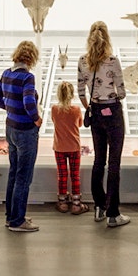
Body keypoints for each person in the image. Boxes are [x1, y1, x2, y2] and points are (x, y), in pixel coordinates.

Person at [77, 21, 130, 227]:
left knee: (99, 160)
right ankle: (113, 213)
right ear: (107, 38)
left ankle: (99, 206)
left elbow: (81, 92)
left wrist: (91, 104)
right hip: (113, 112)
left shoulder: (82, 61)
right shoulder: (112, 61)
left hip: (96, 111)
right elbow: (122, 92)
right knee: (114, 163)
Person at [0, 40, 43, 232]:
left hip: (10, 129)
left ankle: (11, 216)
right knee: (24, 176)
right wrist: (36, 119)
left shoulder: (7, 73)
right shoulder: (27, 77)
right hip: (25, 131)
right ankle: (18, 221)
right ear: (32, 58)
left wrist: (11, 109)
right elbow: (29, 102)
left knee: (14, 173)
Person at [51, 80, 89, 215]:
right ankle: (76, 204)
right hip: (74, 146)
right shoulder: (76, 109)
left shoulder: (54, 109)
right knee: (75, 175)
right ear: (72, 95)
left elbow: (54, 122)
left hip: (59, 147)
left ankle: (62, 202)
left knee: (62, 175)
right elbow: (79, 124)